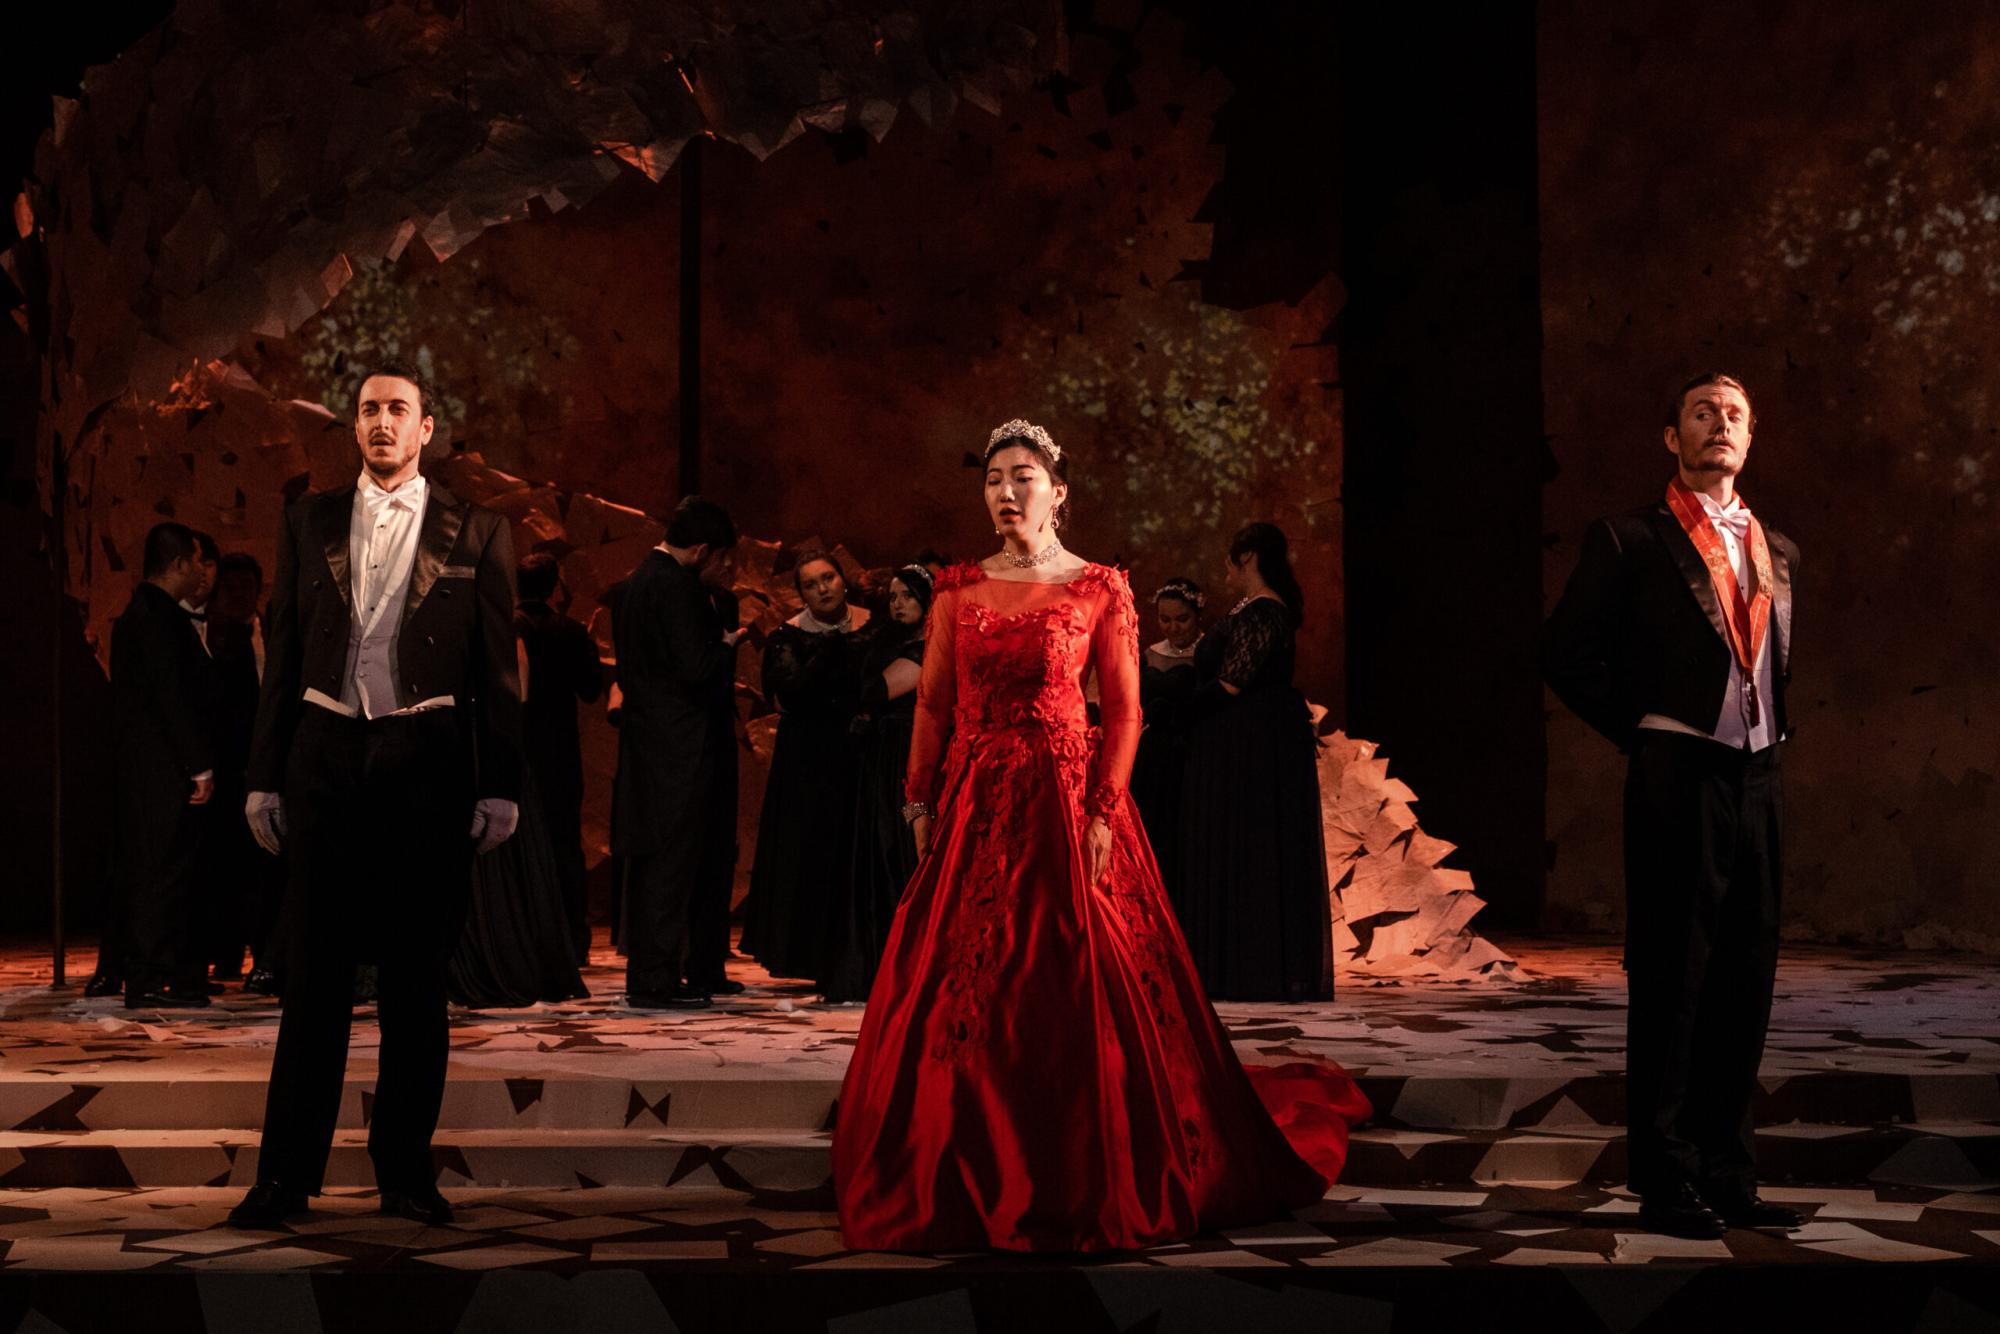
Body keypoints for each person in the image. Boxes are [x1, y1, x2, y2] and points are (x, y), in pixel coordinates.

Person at [833, 421, 1368, 1252]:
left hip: (1065, 795)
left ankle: (1088, 1158)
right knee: (965, 983)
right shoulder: (957, 590)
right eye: (993, 480)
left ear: (1058, 491)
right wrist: (917, 801)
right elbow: (933, 705)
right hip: (975, 803)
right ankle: (958, 1159)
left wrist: (1103, 809)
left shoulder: (1098, 587)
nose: (1006, 492)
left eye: (1023, 477)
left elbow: (1124, 711)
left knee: (1077, 973)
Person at [228, 359, 524, 1231]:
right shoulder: (309, 518)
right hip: (323, 755)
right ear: (354, 427)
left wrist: (500, 785)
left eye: (399, 409)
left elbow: (498, 676)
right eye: (368, 410)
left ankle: (406, 1174)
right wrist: (261, 775)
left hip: (426, 760)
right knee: (312, 979)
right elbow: (281, 654)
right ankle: (285, 1178)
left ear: (427, 428)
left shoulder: (478, 530)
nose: (382, 422)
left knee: (415, 981)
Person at [1544, 371, 1803, 1240]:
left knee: (1746, 979)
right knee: (1673, 979)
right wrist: (1646, 730)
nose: (1719, 424)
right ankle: (1665, 1178)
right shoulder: (1629, 540)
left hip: (1758, 778)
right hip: (1678, 774)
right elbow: (1566, 655)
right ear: (1671, 437)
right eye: (1702, 412)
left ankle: (1730, 1171)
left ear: (1751, 435)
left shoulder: (1778, 549)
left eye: (1734, 413)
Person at [1178, 523, 1334, 1002]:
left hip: (1255, 749)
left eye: (1229, 561)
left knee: (1254, 851)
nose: (1224, 570)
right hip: (1240, 742)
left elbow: (1232, 683)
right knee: (1239, 848)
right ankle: (1229, 964)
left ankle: (1254, 969)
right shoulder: (1250, 609)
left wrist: (1171, 708)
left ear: (1247, 558)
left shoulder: (1265, 611)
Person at [611, 495, 743, 1009]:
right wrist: (727, 646)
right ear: (703, 550)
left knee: (652, 864)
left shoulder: (635, 582)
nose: (724, 569)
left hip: (647, 744)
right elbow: (696, 667)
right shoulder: (676, 587)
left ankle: (651, 975)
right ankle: (656, 982)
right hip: (680, 749)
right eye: (722, 558)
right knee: (671, 864)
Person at [90, 522, 217, 1008]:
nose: (203, 571)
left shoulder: (144, 614)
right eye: (198, 560)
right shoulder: (156, 618)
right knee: (160, 871)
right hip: (162, 772)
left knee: (163, 870)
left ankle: (166, 974)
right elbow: (172, 699)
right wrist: (199, 765)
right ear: (179, 563)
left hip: (150, 769)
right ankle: (149, 978)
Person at [740, 550, 870, 983]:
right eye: (811, 584)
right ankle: (808, 952)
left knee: (858, 845)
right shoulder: (787, 637)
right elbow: (789, 693)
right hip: (808, 757)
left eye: (828, 578)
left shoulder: (873, 624)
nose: (823, 589)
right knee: (811, 845)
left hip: (861, 749)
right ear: (800, 594)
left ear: (842, 578)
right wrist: (830, 651)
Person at [819, 564, 931, 1003]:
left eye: (908, 596)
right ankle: (878, 961)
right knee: (874, 850)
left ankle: (909, 965)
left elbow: (878, 691)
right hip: (879, 758)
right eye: (894, 596)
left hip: (907, 756)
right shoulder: (894, 641)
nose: (899, 603)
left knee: (899, 849)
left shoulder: (930, 648)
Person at [513, 551, 605, 962]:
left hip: (517, 747)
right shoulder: (570, 632)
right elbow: (589, 689)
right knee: (565, 845)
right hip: (560, 750)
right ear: (555, 587)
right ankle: (572, 939)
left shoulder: (506, 626)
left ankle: (522, 936)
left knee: (515, 846)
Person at [204, 551, 269, 987]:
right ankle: (227, 954)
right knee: (225, 867)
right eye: (231, 588)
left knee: (266, 869)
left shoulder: (276, 634)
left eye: (247, 587)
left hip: (266, 766)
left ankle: (267, 956)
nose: (240, 595)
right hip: (226, 768)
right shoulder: (213, 639)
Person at [1130, 577, 1204, 918]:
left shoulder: (1208, 652)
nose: (1173, 627)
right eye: (1165, 619)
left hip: (1194, 754)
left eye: (1181, 619)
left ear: (1197, 614)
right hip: (1153, 756)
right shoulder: (1148, 654)